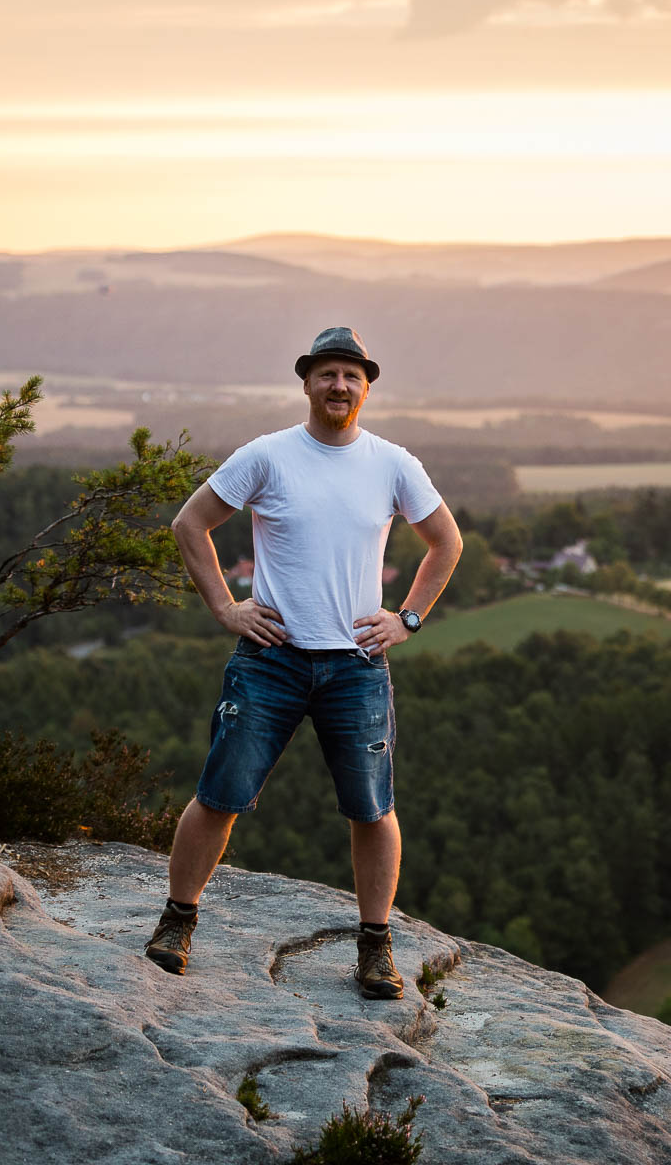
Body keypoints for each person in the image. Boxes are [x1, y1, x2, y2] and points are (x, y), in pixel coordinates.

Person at [143, 326, 462, 998]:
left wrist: (406, 619)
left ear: (366, 386)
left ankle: (375, 948)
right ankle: (176, 922)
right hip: (272, 658)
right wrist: (227, 608)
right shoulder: (268, 456)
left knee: (373, 809)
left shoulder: (393, 463)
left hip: (356, 663)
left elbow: (446, 542)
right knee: (220, 793)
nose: (339, 385)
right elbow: (188, 524)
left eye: (351, 375)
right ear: (308, 384)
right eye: (327, 374)